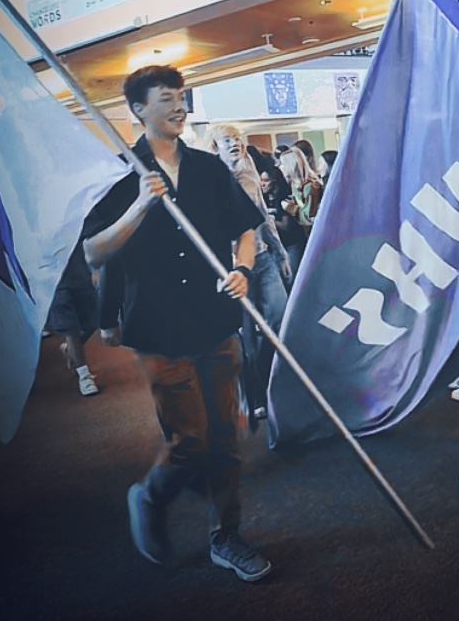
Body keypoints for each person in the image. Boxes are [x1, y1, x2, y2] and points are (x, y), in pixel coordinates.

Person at [83, 65, 272, 580]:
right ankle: (148, 498)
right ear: (139, 109)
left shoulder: (210, 169)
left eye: (182, 96)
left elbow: (246, 231)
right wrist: (141, 205)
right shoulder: (121, 174)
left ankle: (225, 536)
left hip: (215, 321)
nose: (178, 106)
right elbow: (94, 252)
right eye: (166, 98)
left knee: (226, 439)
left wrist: (243, 269)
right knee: (189, 441)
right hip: (158, 327)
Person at [208, 123, 289, 421]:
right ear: (215, 147)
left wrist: (280, 254)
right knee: (246, 336)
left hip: (263, 258)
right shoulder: (212, 179)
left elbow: (262, 220)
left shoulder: (251, 172)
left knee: (278, 320)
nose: (235, 143)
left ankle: (270, 384)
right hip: (234, 268)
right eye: (226, 140)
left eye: (237, 138)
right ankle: (252, 395)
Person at [46, 238, 101, 396]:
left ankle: (71, 349)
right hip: (55, 283)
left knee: (94, 322)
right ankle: (84, 376)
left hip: (80, 278)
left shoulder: (71, 218)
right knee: (71, 330)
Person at [260, 164, 307, 283]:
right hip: (278, 245)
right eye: (261, 180)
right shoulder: (264, 198)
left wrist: (267, 221)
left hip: (292, 244)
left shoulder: (285, 198)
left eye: (266, 181)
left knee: (293, 279)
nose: (262, 184)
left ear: (274, 181)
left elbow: (286, 226)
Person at [277, 145, 323, 268]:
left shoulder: (312, 186)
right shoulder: (293, 184)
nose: (280, 167)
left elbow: (309, 217)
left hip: (313, 237)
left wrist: (289, 208)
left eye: (283, 164)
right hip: (301, 235)